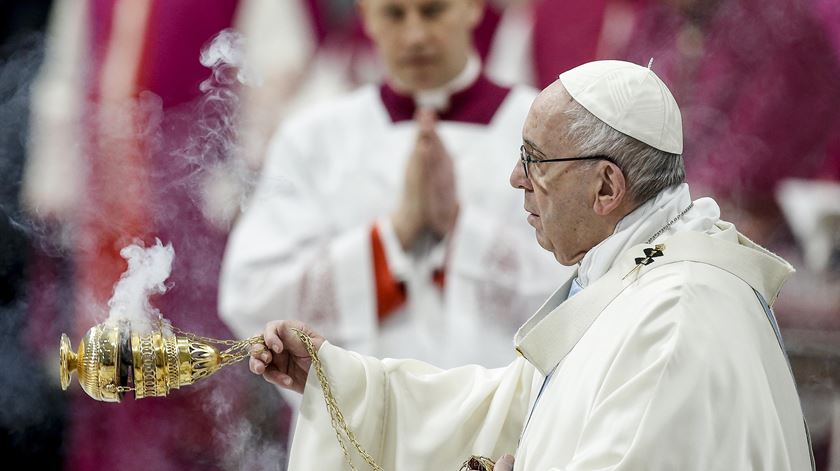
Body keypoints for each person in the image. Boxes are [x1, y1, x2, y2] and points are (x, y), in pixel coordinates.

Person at [248, 60, 814, 470]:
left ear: (607, 187)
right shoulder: (635, 279)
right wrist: (340, 379)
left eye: (535, 160)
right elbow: (516, 407)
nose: (516, 179)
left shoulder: (672, 320)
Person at [219, 0, 568, 369]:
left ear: (473, 7)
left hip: (511, 417)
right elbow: (250, 295)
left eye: (433, 12)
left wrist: (459, 231)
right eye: (394, 14)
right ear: (366, 16)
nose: (415, 36)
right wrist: (391, 241)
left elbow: (590, 291)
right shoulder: (312, 140)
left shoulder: (546, 131)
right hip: (360, 421)